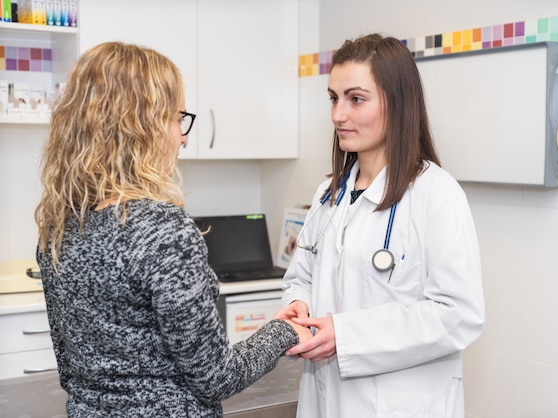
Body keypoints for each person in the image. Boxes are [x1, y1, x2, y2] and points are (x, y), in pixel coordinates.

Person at [34, 42, 311, 417]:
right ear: (141, 126)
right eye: (177, 118)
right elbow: (217, 378)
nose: (182, 136)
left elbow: (69, 367)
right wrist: (285, 332)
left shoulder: (58, 227)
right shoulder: (163, 231)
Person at [274, 33, 485, 418]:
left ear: (398, 103)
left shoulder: (436, 194)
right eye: (334, 98)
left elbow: (459, 314)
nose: (339, 115)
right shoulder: (329, 193)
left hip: (398, 404)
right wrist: (295, 304)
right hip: (325, 398)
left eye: (356, 99)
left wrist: (348, 334)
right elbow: (299, 276)